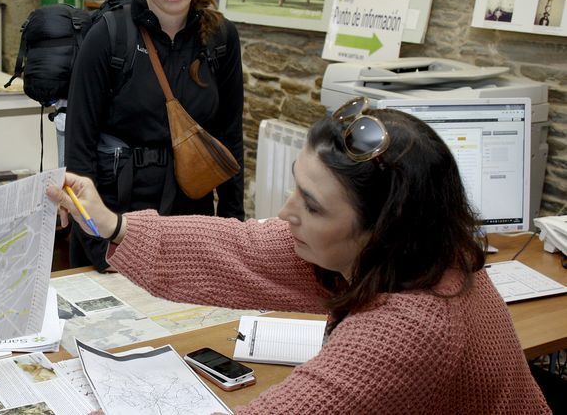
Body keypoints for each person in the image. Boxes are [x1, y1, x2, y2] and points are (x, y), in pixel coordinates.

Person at [49, 98, 550, 413]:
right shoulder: (419, 248)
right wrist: (112, 224)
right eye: (296, 186)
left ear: (380, 230)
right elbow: (243, 250)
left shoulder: (410, 329)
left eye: (311, 206)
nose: (286, 212)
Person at [65, 0, 245, 272]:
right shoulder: (108, 38)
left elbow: (230, 140)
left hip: (190, 230)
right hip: (114, 228)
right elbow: (79, 156)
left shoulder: (221, 39)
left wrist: (235, 238)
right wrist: (100, 248)